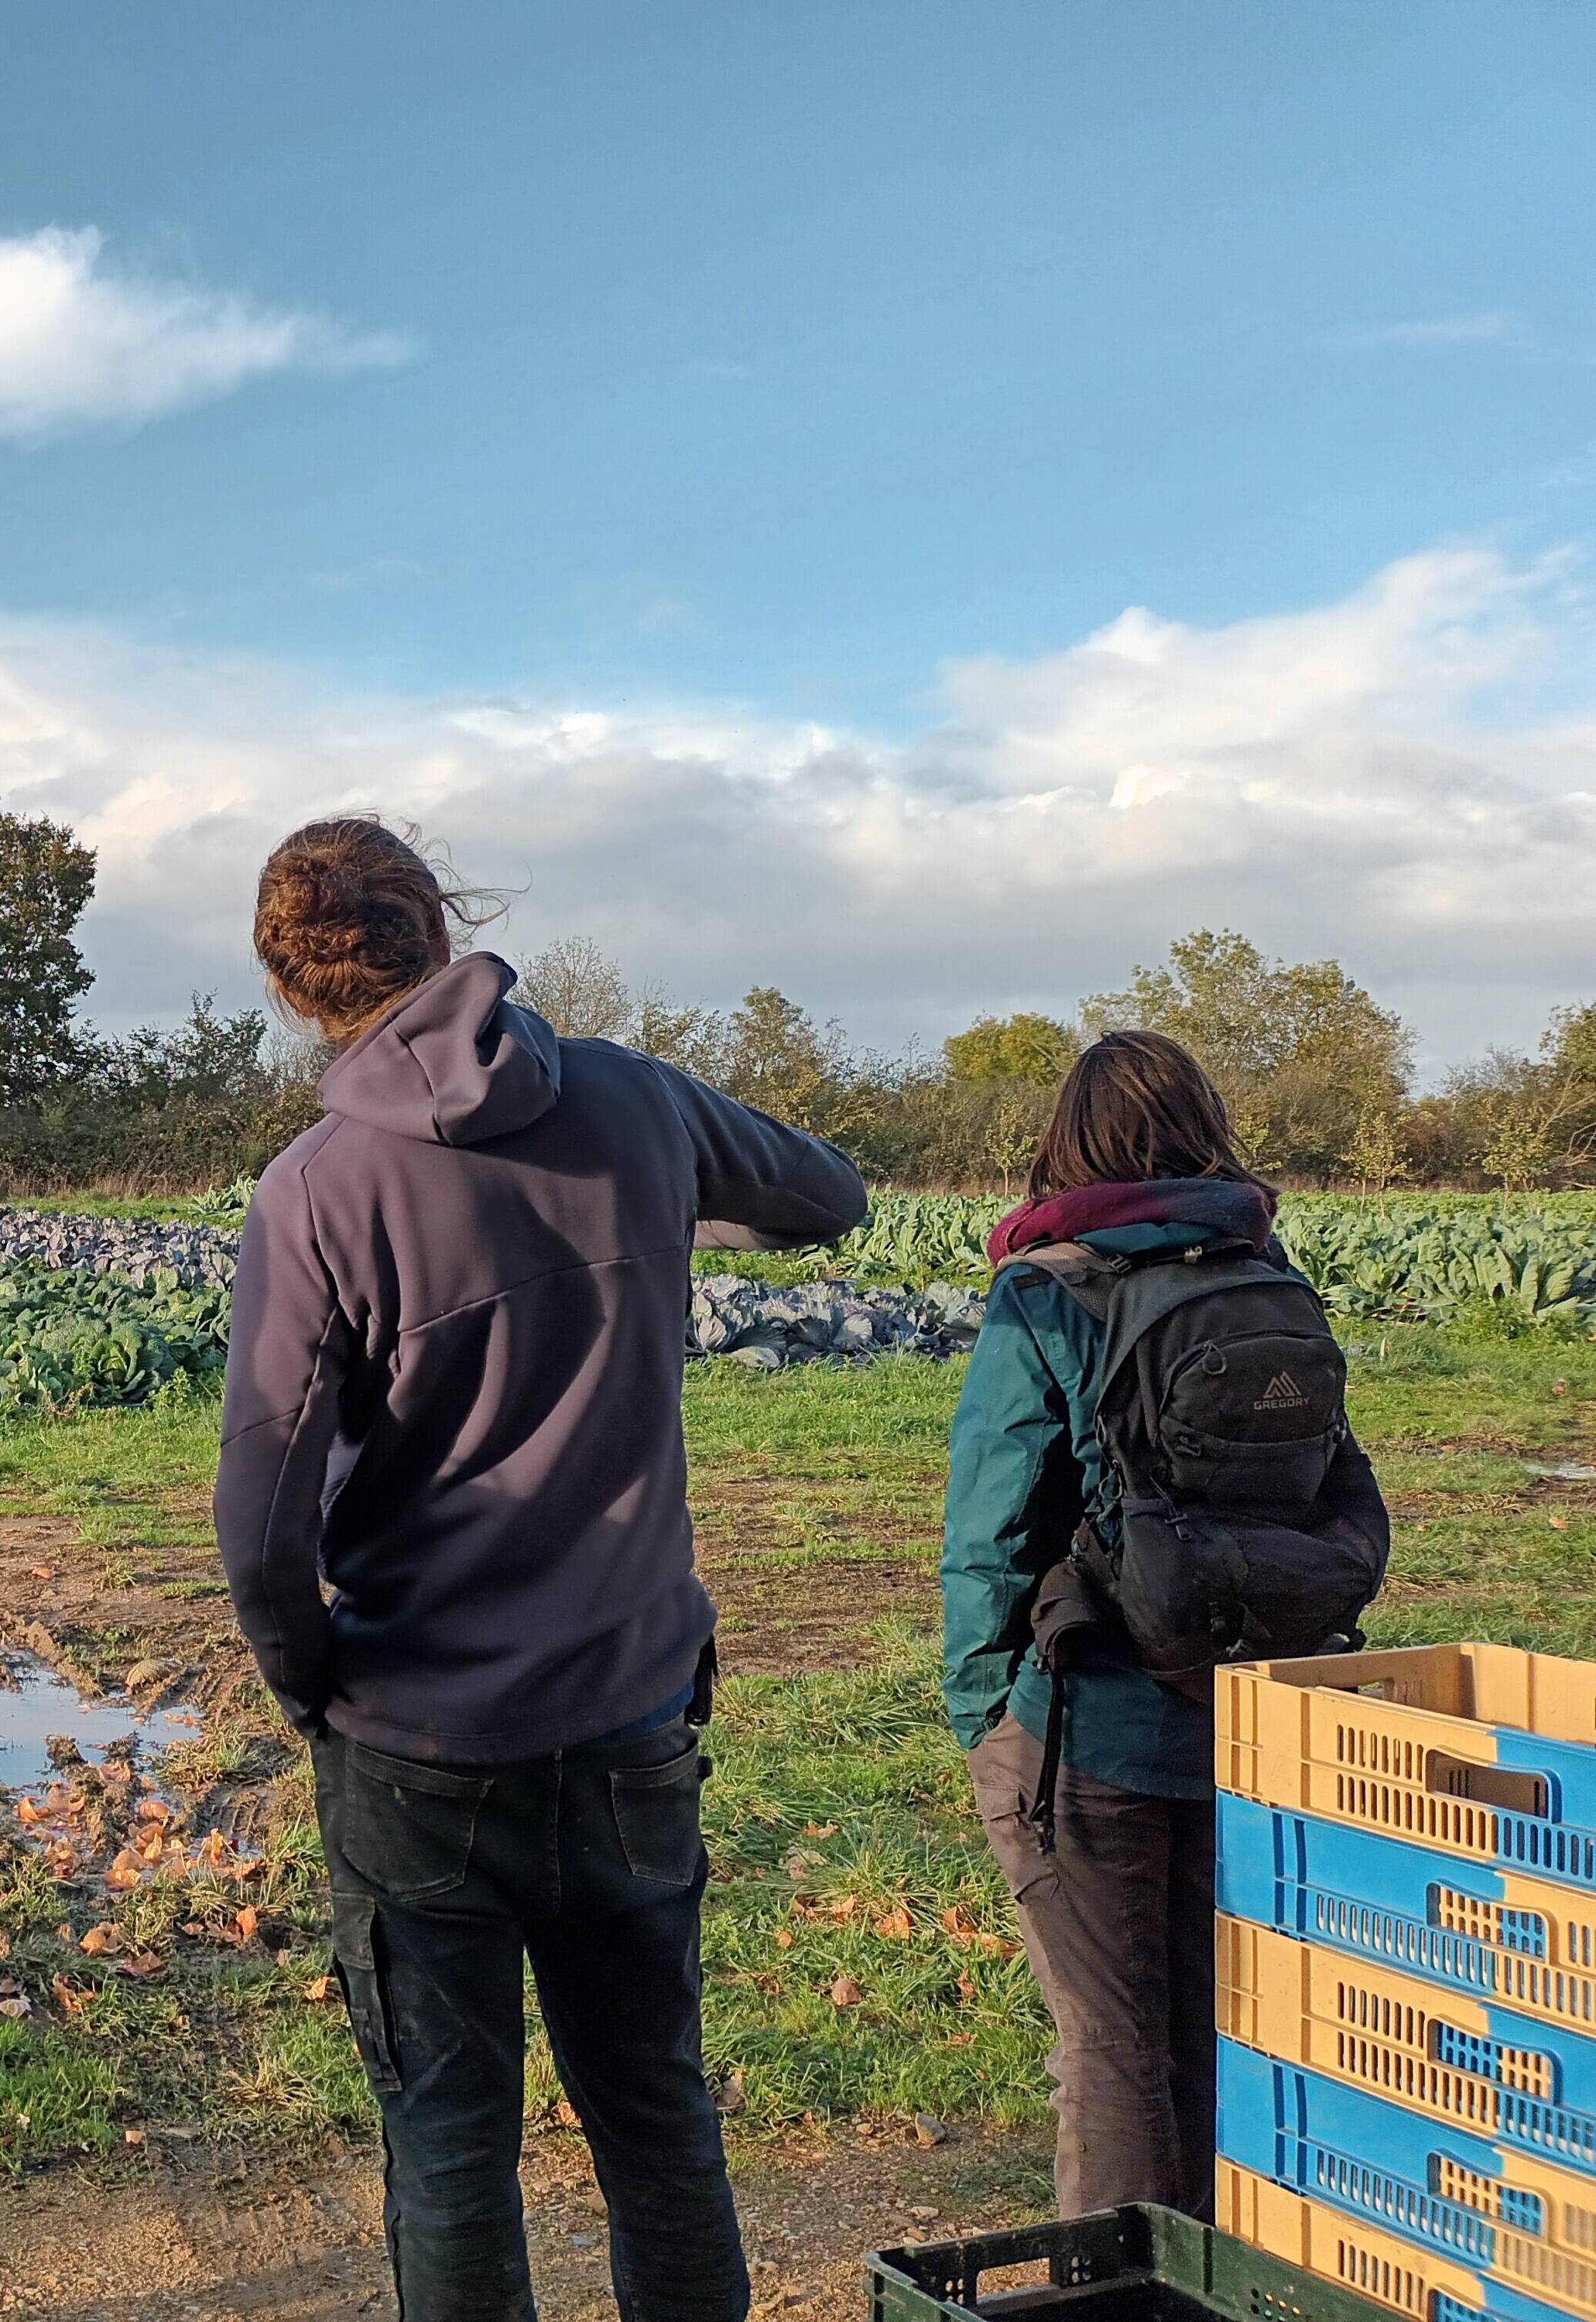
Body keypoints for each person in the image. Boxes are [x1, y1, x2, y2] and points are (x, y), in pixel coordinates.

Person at [214, 818, 868, 2322]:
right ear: (442, 928)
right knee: (657, 2122)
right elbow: (829, 1195)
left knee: (451, 2153)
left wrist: (313, 1683)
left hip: (416, 1747)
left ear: (291, 989)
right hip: (631, 1714)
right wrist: (657, 1189)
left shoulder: (315, 1192)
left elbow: (259, 1516)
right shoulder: (637, 1101)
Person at [942, 1030, 1282, 2221]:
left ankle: (1112, 2290)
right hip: (1254, 1716)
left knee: (1108, 2045)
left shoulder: (1046, 1289)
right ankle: (1227, 2273)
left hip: (1092, 1722)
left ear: (1070, 1144)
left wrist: (985, 1716)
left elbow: (991, 1527)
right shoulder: (1266, 1274)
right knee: (1216, 2022)